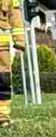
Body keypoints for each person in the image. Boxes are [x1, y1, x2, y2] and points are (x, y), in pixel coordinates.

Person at [0, 0, 25, 128]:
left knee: (3, 82)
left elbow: (15, 16)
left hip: (1, 50)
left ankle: (3, 117)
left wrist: (20, 42)